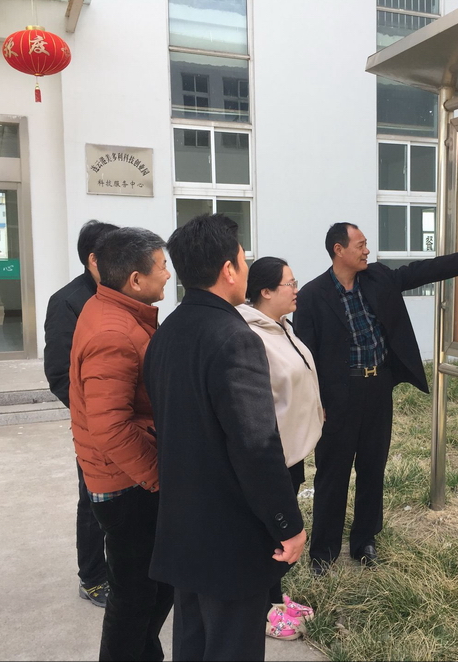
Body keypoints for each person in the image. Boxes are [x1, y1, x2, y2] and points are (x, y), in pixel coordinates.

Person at [293, 222, 458, 575]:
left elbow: (419, 272)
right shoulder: (313, 295)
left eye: (366, 244)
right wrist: (316, 402)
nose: (367, 250)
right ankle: (324, 552)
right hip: (338, 397)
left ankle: (364, 541)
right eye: (360, 245)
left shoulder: (378, 278)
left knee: (372, 467)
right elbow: (305, 356)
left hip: (377, 388)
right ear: (338, 250)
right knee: (332, 473)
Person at [145, 215, 306, 661]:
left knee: (193, 644)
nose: (247, 267)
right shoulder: (236, 338)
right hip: (229, 536)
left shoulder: (167, 332)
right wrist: (288, 524)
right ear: (228, 270)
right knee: (232, 645)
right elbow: (256, 446)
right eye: (243, 258)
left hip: (183, 527)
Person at [69, 227, 174, 661]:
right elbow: (110, 427)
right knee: (135, 596)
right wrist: (158, 477)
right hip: (126, 485)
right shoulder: (113, 333)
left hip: (127, 477)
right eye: (162, 266)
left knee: (152, 589)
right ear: (135, 279)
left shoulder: (116, 312)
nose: (168, 274)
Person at [236, 257, 323, 640]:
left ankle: (274, 596)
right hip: (272, 454)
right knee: (269, 534)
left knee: (278, 533)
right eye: (290, 283)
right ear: (266, 291)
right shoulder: (251, 334)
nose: (296, 289)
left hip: (292, 450)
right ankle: (264, 610)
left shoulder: (282, 326)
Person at [43, 219, 118, 608]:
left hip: (125, 421)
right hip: (94, 425)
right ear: (94, 259)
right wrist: (95, 416)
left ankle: (120, 569)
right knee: (92, 501)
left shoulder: (118, 293)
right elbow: (59, 374)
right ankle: (92, 578)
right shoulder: (68, 302)